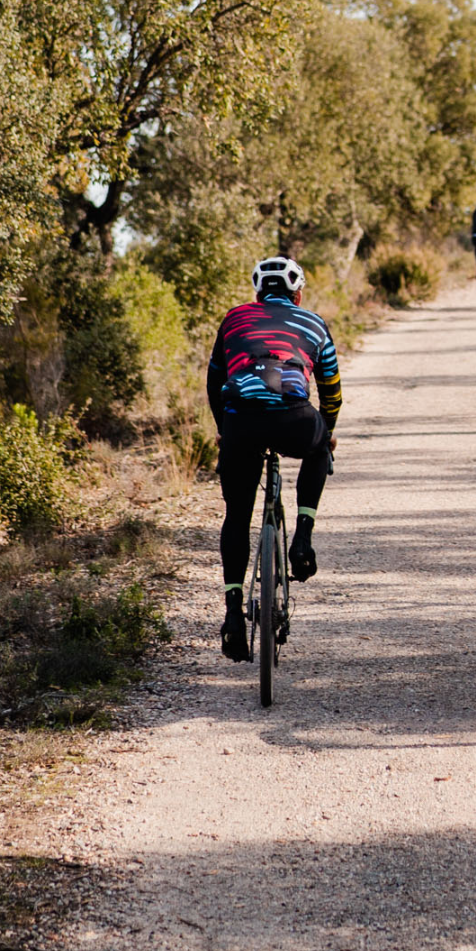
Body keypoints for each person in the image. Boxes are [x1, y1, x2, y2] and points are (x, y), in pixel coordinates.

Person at [206, 256, 342, 661]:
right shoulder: (313, 322)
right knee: (319, 446)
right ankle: (302, 536)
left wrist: (222, 427)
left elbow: (215, 380)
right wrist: (328, 430)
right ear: (297, 293)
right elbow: (331, 388)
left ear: (257, 293)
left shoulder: (234, 319)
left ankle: (232, 614)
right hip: (293, 418)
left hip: (240, 423)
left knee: (236, 513)